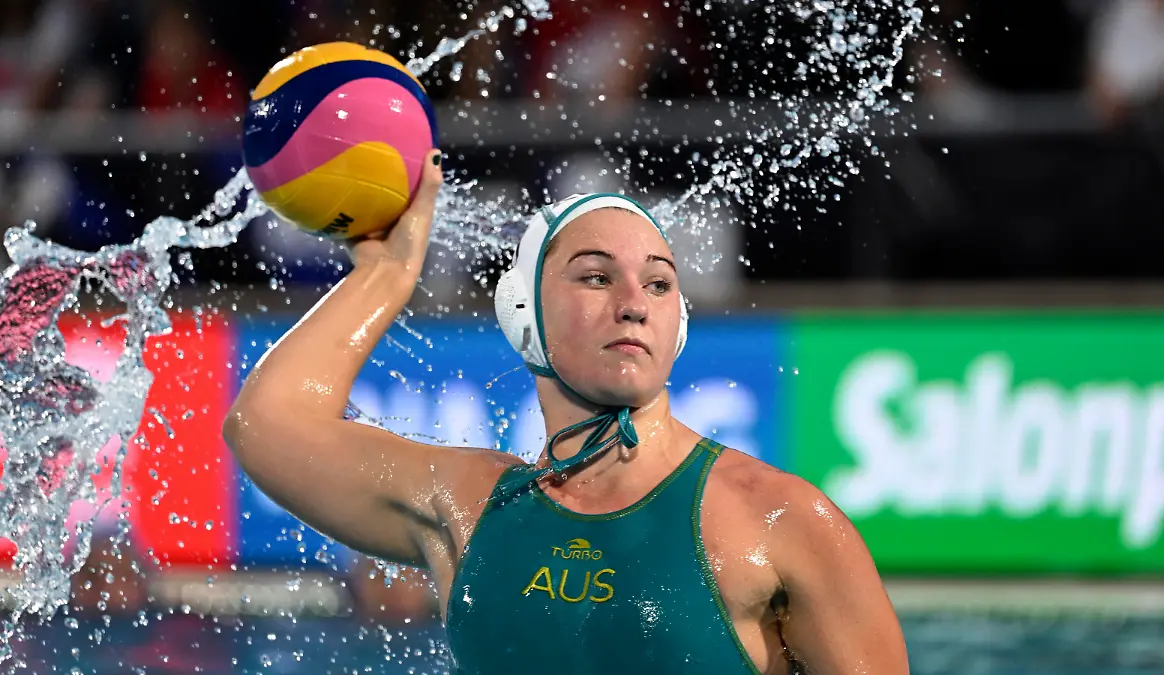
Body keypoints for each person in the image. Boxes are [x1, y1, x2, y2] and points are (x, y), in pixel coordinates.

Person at [224, 149, 909, 674]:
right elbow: (265, 423)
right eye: (595, 275)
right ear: (522, 313)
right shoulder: (468, 507)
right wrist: (384, 276)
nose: (635, 301)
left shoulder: (780, 520)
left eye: (660, 282)